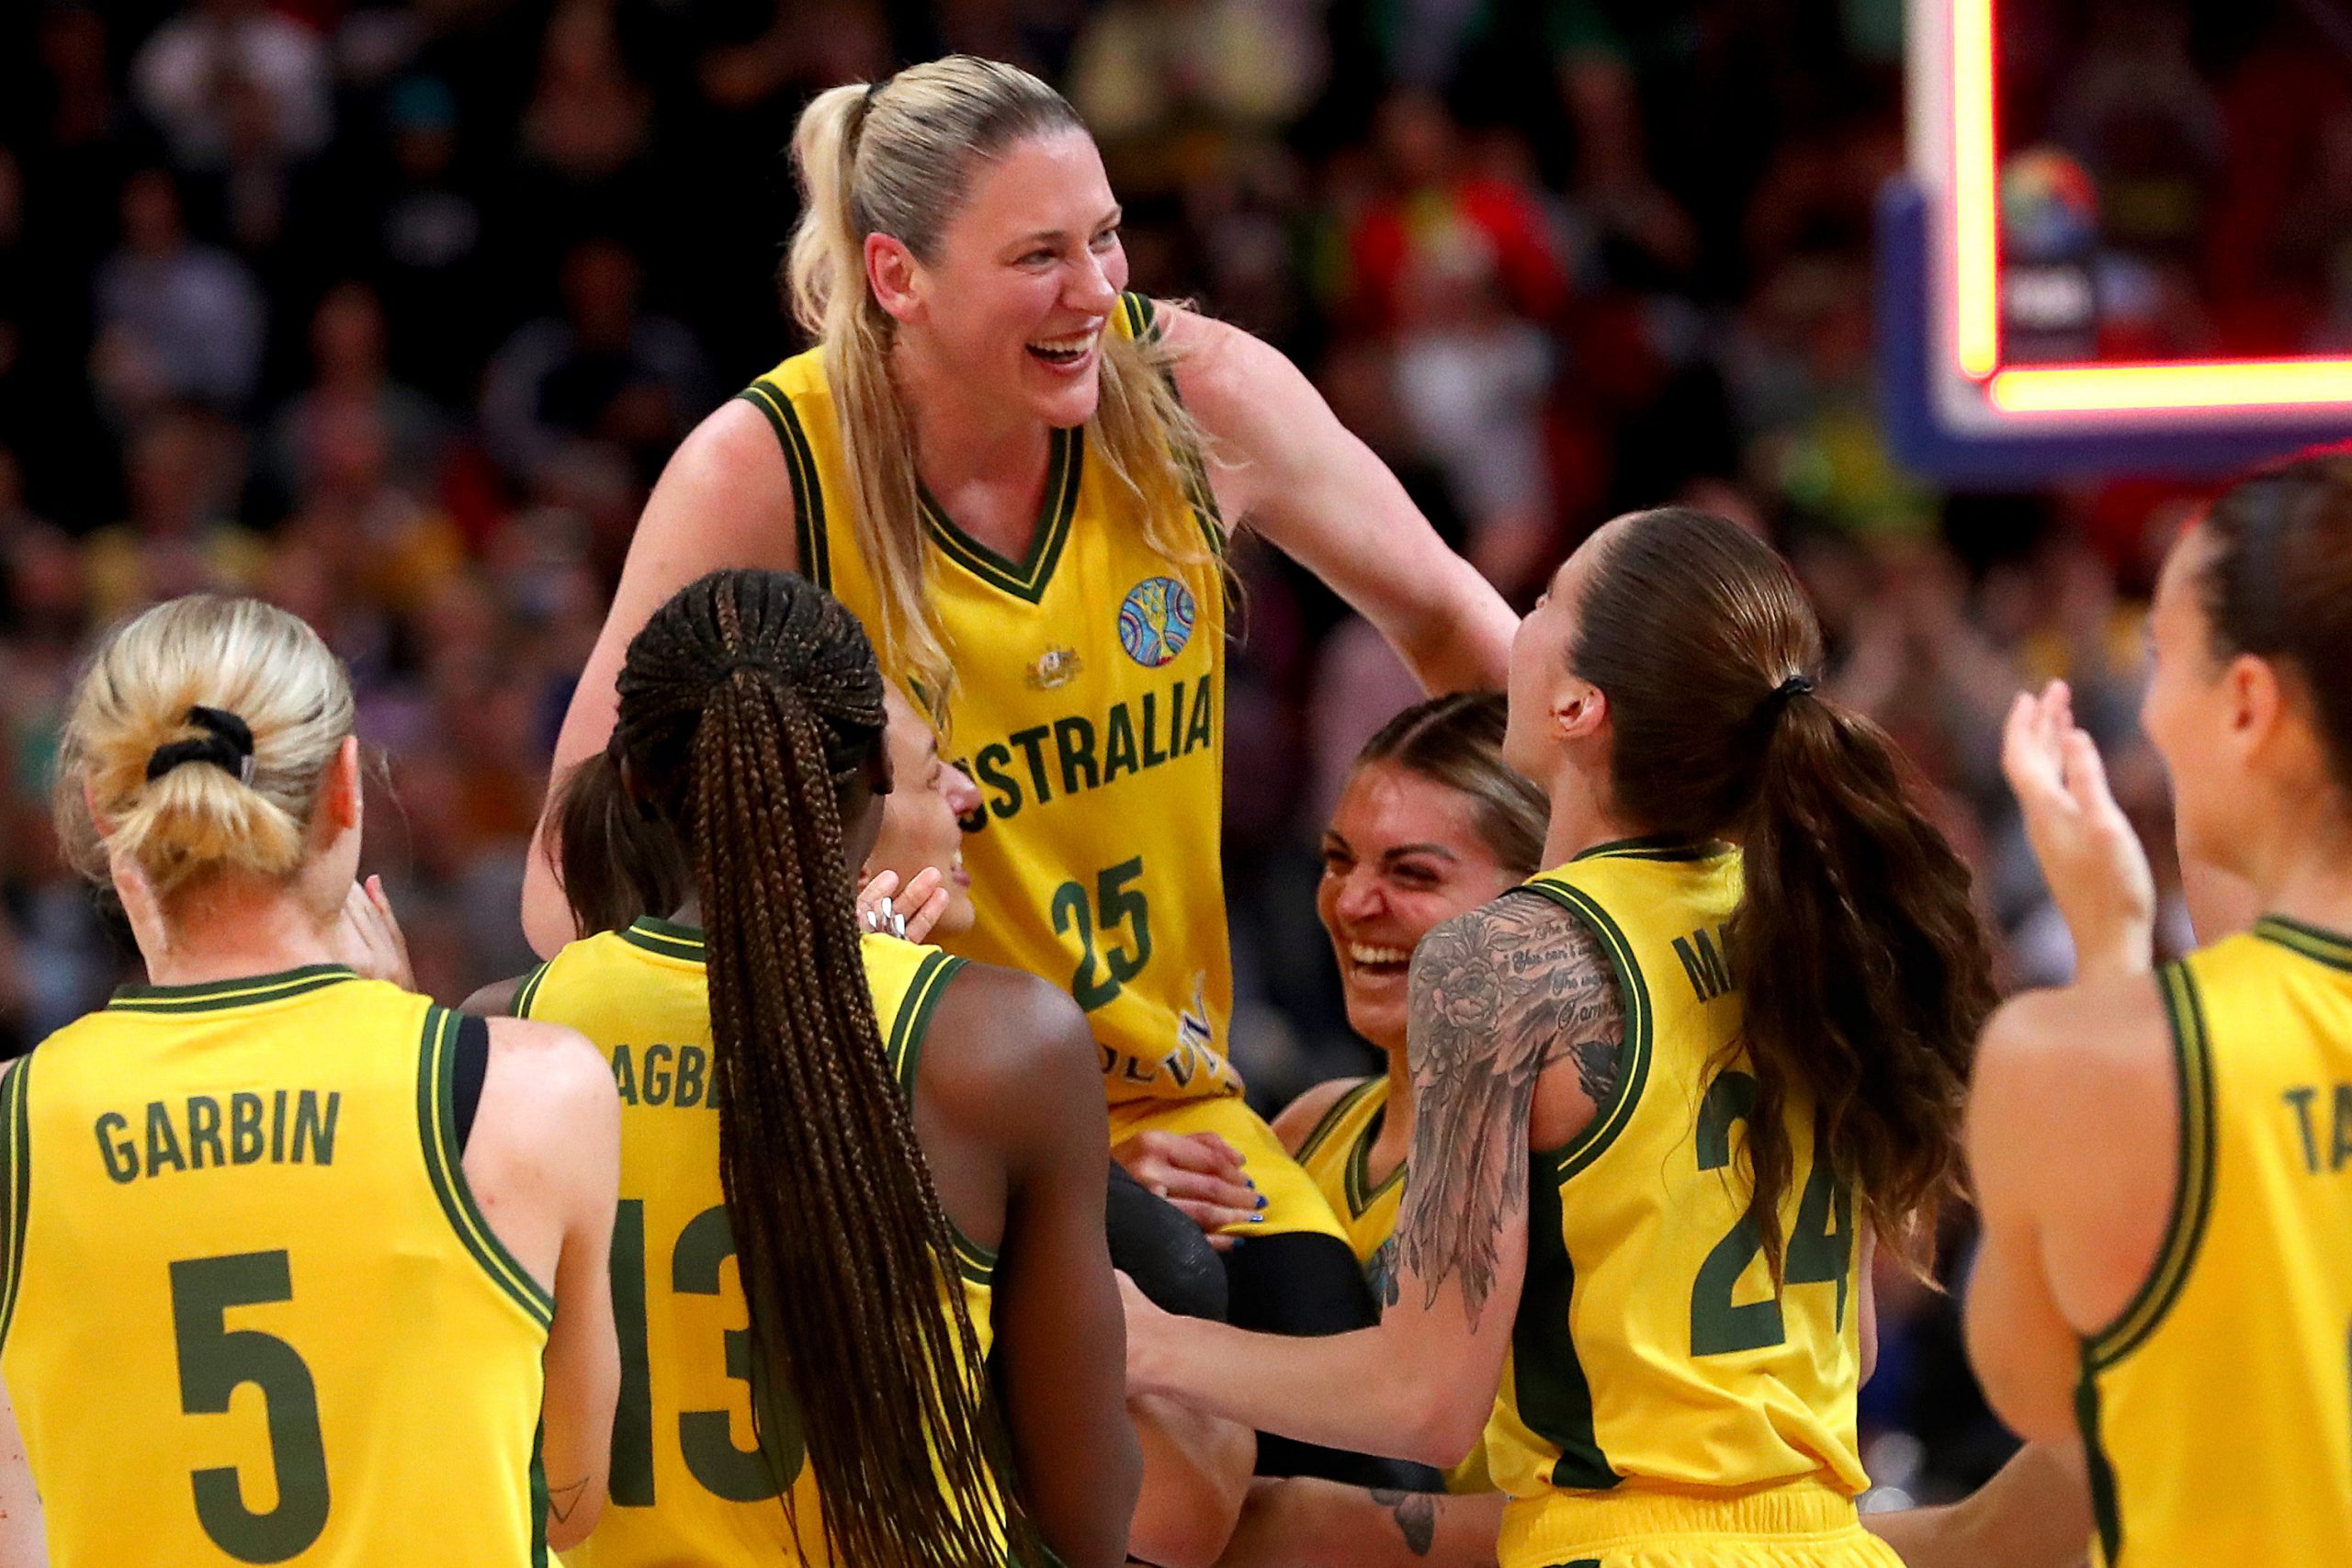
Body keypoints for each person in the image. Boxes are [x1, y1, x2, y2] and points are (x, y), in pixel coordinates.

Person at [524, 54, 1515, 1483]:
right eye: (1040, 255)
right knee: (1181, 1468)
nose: (1095, 288)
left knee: (1361, 1442)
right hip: (930, 1103)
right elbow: (568, 877)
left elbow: (1471, 640)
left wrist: (1587, 914)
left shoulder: (1199, 391)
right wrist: (826, 998)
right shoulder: (765, 468)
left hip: (1182, 1098)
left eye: (1106, 237)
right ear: (898, 277)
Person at [1122, 506, 1997, 1568]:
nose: (1515, 626)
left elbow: (1422, 1398)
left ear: (1578, 704)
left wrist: (1150, 1344)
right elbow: (1847, 1346)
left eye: (1541, 601)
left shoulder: (1510, 958)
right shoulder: (1810, 927)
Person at [502, 569, 1139, 1568]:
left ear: (631, 782)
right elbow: (1089, 1515)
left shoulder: (504, 1039)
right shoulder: (1002, 1044)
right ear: (877, 770)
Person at [0, 594, 620, 1564]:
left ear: (103, 812)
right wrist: (405, 1031)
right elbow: (568, 1501)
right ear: (344, 786)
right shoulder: (531, 1093)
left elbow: (21, 1534)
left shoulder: (16, 1124)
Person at [1969, 453, 2352, 1562]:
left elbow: (2057, 1402)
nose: (2146, 714)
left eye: (2159, 659)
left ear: (2246, 705)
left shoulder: (2070, 1059)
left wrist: (2108, 956)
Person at [1224, 692, 1541, 1567]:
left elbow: (1623, 1509)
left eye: (1414, 874)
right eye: (1337, 859)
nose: (1353, 902)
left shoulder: (1558, 1155)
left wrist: (1312, 1525)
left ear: (1535, 908)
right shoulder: (1305, 1130)